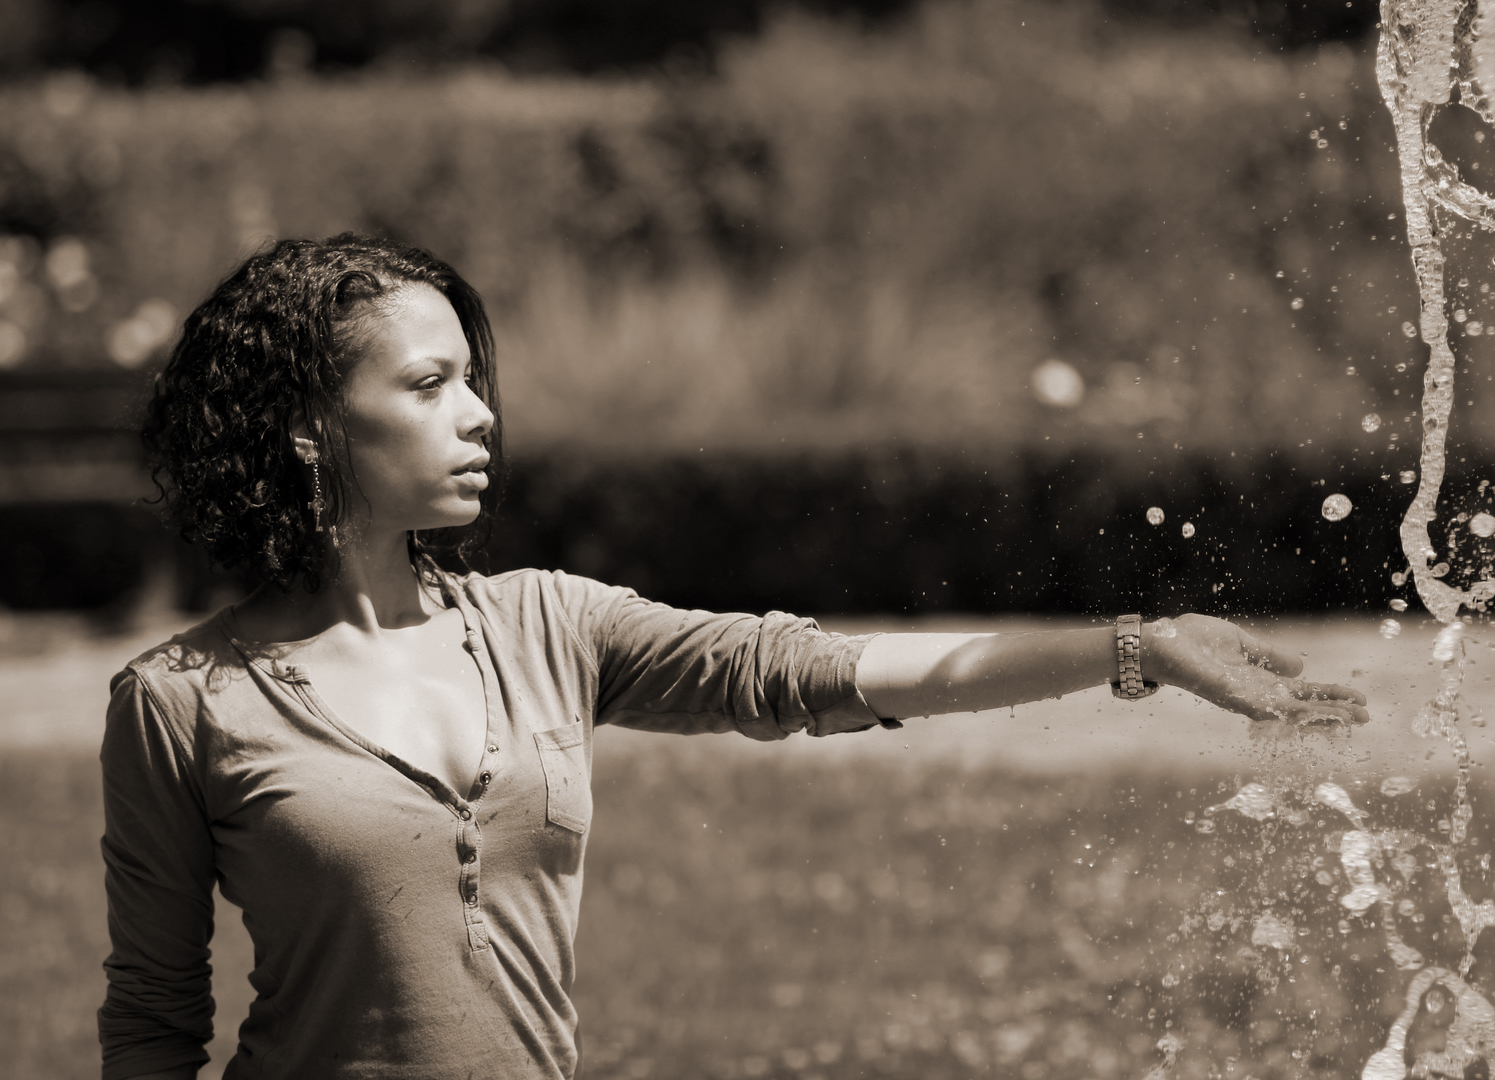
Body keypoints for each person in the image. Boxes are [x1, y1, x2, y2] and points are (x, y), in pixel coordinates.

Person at [100, 234, 1368, 1080]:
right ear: (314, 429)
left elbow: (822, 674)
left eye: (473, 379)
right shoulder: (177, 704)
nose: (480, 411)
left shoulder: (551, 625)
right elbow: (155, 1023)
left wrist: (1131, 647)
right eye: (429, 384)